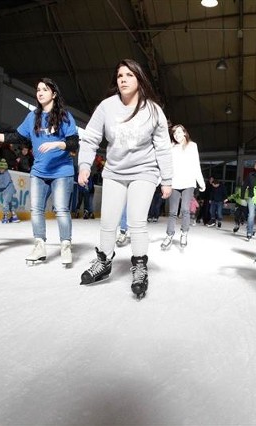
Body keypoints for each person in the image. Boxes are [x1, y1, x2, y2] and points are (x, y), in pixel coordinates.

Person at [77, 58, 173, 299]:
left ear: (139, 79)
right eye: (120, 76)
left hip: (145, 171)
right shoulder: (106, 107)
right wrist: (84, 165)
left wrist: (167, 179)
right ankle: (104, 262)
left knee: (136, 221)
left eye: (129, 75)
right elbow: (90, 138)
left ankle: (140, 266)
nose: (124, 79)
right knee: (108, 221)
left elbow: (162, 146)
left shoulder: (152, 110)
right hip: (115, 172)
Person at [0, 78, 78, 265]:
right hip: (39, 172)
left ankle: (65, 245)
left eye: (45, 89)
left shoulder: (65, 116)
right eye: (38, 89)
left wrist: (57, 143)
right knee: (36, 210)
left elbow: (74, 142)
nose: (40, 92)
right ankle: (39, 245)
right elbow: (16, 137)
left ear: (54, 94)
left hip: (62, 171)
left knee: (62, 210)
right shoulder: (32, 116)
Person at [161, 124, 205, 249]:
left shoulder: (192, 146)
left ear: (185, 133)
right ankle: (169, 236)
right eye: (174, 134)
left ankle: (184, 233)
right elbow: (166, 165)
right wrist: (163, 181)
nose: (177, 135)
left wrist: (201, 182)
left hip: (189, 182)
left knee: (185, 209)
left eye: (179, 132)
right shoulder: (171, 147)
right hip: (174, 183)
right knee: (173, 211)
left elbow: (196, 165)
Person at [0, 159, 20, 223]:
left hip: (9, 190)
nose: (0, 170)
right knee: (9, 203)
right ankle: (14, 216)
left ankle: (5, 217)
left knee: (5, 203)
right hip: (5, 191)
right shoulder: (0, 173)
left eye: (2, 169)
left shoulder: (7, 174)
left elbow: (4, 185)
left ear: (5, 169)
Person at [242, 161, 256, 241]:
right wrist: (242, 197)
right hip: (252, 197)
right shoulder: (250, 175)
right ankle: (249, 232)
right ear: (255, 167)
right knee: (251, 215)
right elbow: (244, 186)